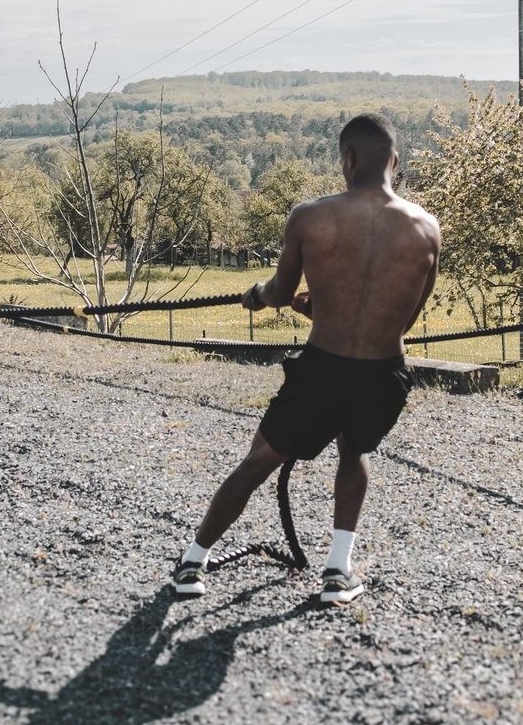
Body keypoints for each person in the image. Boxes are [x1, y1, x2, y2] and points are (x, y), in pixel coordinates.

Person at [173, 113, 440, 606]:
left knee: (259, 461)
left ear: (348, 159)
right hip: (383, 374)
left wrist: (257, 295)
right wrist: (334, 307)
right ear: (395, 162)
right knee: (353, 453)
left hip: (322, 367)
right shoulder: (427, 229)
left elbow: (279, 291)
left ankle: (192, 562)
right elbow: (402, 318)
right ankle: (338, 571)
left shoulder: (310, 216)